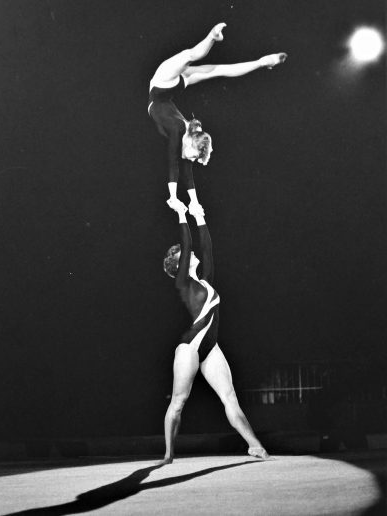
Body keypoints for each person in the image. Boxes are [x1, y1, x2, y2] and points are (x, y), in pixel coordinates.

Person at [160, 199, 270, 464]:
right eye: (182, 256)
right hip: (190, 348)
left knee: (229, 397)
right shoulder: (183, 283)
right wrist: (181, 214)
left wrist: (200, 217)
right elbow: (188, 246)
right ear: (179, 264)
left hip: (211, 348)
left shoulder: (204, 280)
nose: (190, 253)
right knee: (179, 401)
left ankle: (256, 447)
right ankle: (168, 454)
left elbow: (207, 250)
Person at [148, 22, 287, 215]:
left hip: (171, 88)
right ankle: (212, 36)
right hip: (162, 83)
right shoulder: (179, 131)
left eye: (194, 157)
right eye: (196, 156)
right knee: (190, 56)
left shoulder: (186, 137)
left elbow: (186, 171)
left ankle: (261, 62)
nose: (192, 160)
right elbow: (173, 162)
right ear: (191, 143)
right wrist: (173, 197)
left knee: (219, 69)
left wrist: (194, 203)